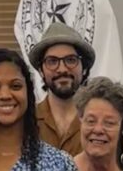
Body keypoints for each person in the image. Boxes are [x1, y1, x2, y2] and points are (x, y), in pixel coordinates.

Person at [28, 21, 96, 156]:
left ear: (84, 68)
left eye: (71, 60)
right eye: (52, 61)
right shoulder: (26, 121)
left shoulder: (98, 122)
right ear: (41, 71)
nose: (62, 69)